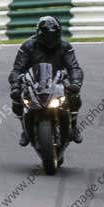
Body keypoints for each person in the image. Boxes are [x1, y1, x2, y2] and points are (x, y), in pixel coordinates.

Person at [9, 16, 84, 146]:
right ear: (39, 34)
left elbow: (74, 67)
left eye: (53, 36)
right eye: (47, 36)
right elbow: (17, 69)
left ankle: (74, 125)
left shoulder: (65, 46)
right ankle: (24, 129)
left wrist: (76, 83)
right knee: (17, 97)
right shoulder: (28, 46)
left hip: (58, 80)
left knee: (74, 94)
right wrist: (15, 86)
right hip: (34, 81)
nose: (50, 40)